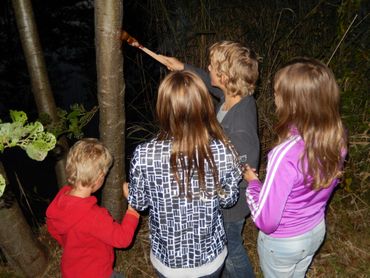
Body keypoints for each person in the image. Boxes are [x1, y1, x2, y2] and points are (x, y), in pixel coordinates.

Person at [127, 70, 242, 278]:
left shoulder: (144, 155)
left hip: (168, 261)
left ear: (163, 108)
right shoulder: (224, 151)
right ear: (203, 105)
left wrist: (128, 191)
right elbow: (229, 199)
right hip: (210, 257)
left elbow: (139, 203)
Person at [161, 41, 260, 278]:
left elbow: (241, 172)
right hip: (224, 202)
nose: (208, 68)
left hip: (231, 208)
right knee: (224, 252)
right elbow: (208, 82)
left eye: (213, 67)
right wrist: (182, 67)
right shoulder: (236, 97)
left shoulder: (240, 131)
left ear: (225, 78)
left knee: (231, 251)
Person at [243, 58, 348, 278]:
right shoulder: (337, 135)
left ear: (294, 102)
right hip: (316, 230)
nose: (274, 97)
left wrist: (253, 183)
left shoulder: (285, 154)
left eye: (277, 92)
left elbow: (266, 220)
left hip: (284, 243)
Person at [46, 138, 140, 278]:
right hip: (97, 273)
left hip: (71, 271)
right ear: (99, 178)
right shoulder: (94, 216)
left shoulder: (60, 199)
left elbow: (52, 227)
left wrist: (73, 245)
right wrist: (133, 209)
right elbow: (122, 239)